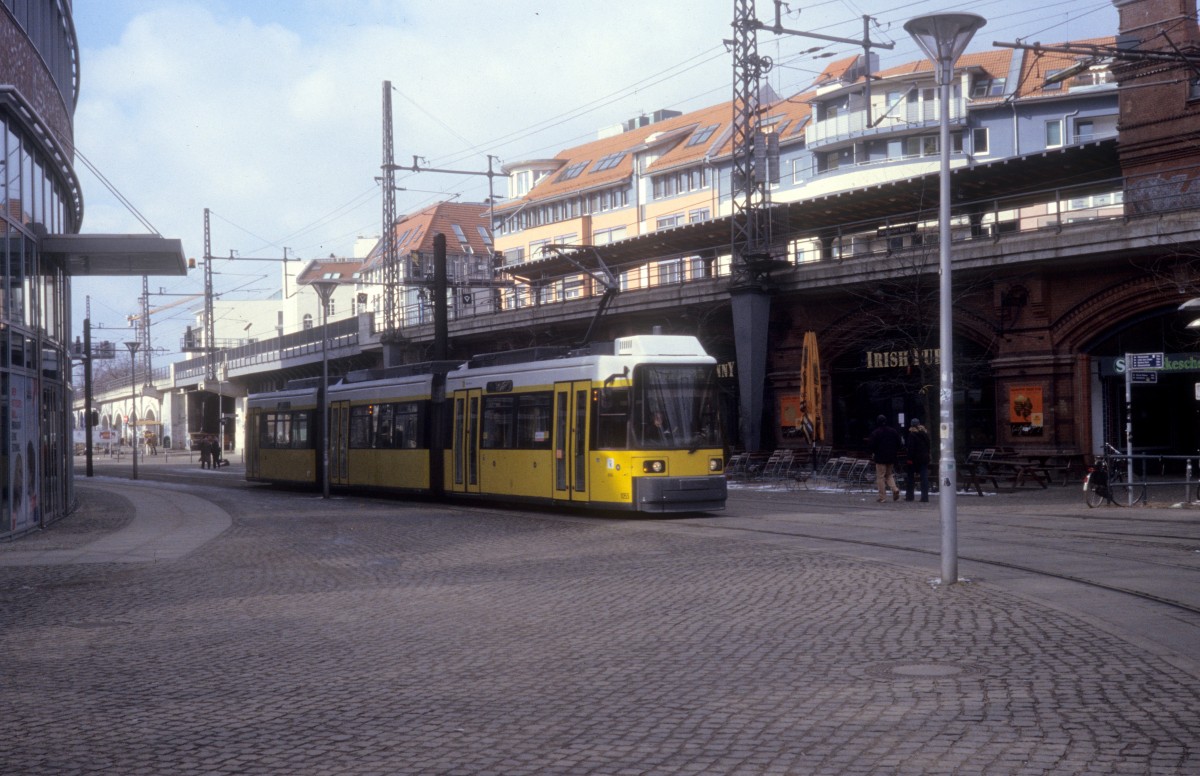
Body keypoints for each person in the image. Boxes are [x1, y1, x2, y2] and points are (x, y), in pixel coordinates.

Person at [867, 414, 902, 503]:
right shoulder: (893, 431)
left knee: (880, 477)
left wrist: (873, 452)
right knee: (889, 475)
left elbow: (871, 445)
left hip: (880, 457)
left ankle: (882, 497)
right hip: (891, 457)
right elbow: (899, 443)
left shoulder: (876, 432)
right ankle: (895, 489)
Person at [905, 417, 931, 502]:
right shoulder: (924, 434)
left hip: (914, 460)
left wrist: (909, 458)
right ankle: (925, 497)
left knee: (910, 478)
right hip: (924, 459)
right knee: (924, 478)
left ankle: (910, 496)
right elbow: (928, 446)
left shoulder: (912, 435)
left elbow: (911, 448)